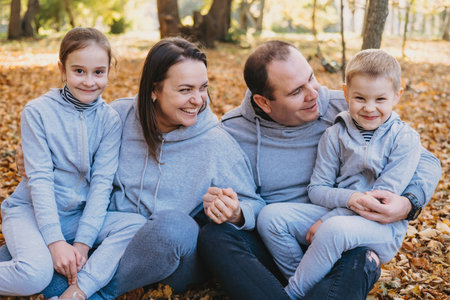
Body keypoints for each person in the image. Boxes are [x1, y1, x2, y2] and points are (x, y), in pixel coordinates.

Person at [198, 40, 441, 300]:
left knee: (356, 256)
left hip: (350, 240)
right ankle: (297, 287)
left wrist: (408, 203)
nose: (313, 94)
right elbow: (249, 203)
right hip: (281, 243)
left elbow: (426, 162)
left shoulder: (349, 106)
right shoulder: (235, 131)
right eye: (296, 92)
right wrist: (237, 212)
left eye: (311, 78)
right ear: (264, 102)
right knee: (215, 236)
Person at [32, 37, 264, 299]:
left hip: (170, 257)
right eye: (185, 90)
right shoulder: (117, 116)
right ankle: (80, 283)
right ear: (154, 90)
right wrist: (38, 152)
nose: (198, 100)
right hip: (109, 242)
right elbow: (72, 152)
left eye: (203, 88)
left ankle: (94, 292)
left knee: (175, 226)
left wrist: (236, 212)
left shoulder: (216, 142)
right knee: (30, 268)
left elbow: (256, 205)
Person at [262, 49, 424, 299]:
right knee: (270, 217)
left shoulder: (405, 139)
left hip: (381, 227)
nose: (370, 108)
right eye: (360, 98)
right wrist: (346, 202)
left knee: (334, 229)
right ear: (346, 93)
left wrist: (331, 219)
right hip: (336, 215)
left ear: (397, 96)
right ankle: (306, 282)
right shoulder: (335, 134)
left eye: (380, 99)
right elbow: (317, 190)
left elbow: (381, 201)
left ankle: (290, 294)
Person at [0, 27, 147, 299]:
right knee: (35, 275)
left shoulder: (109, 120)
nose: (89, 81)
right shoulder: (38, 112)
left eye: (98, 72)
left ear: (109, 70)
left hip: (75, 217)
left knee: (134, 223)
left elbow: (102, 183)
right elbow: (40, 181)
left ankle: (80, 290)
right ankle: (33, 261)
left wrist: (82, 244)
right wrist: (56, 243)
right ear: (62, 68)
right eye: (79, 71)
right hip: (30, 211)